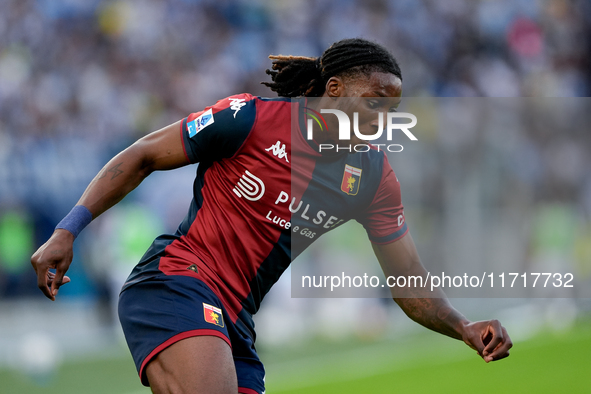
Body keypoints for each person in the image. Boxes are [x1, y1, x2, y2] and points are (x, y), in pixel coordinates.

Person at [31, 38, 512, 394]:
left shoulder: (371, 177)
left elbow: (409, 283)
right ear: (335, 88)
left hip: (235, 320)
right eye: (373, 103)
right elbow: (141, 156)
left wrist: (463, 327)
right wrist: (67, 230)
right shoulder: (249, 119)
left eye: (391, 110)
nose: (382, 119)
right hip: (177, 281)